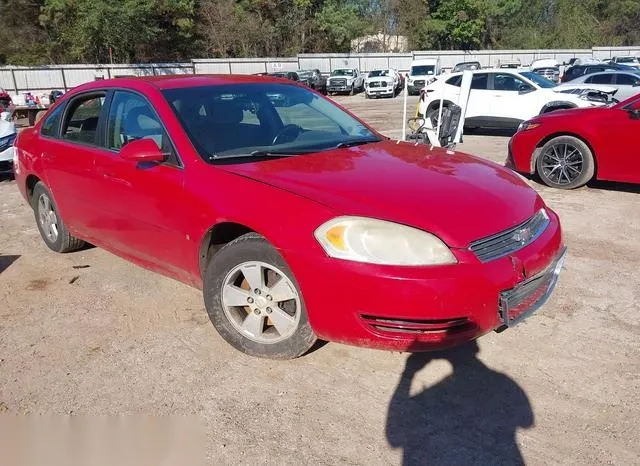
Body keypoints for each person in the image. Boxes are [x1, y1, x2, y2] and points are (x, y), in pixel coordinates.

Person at [386, 341, 534, 465]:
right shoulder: (502, 382)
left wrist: (409, 372)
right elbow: (526, 421)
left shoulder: (501, 381)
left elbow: (394, 437)